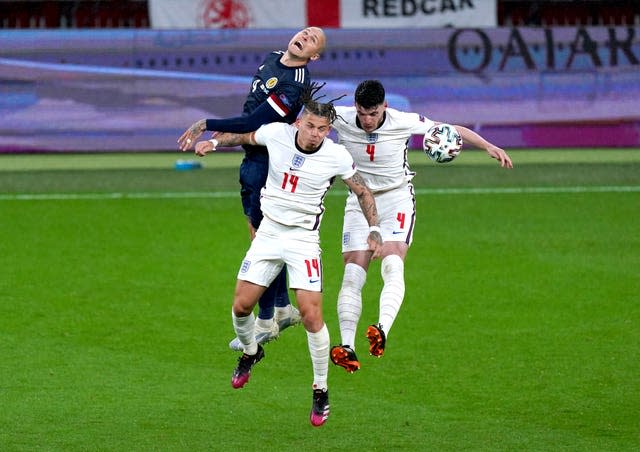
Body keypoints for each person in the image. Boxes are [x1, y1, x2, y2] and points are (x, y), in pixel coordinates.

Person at [188, 89, 383, 426]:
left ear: (329, 130)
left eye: (322, 129)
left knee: (310, 315)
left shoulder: (336, 156)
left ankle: (320, 389)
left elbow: (362, 189)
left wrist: (375, 228)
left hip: (302, 240)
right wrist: (215, 143)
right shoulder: (277, 134)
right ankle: (251, 352)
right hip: (268, 235)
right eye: (310, 126)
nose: (315, 134)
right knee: (241, 306)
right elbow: (246, 135)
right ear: (298, 122)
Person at [329, 80, 513, 373]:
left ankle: (382, 329)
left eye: (373, 113)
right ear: (355, 107)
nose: (367, 120)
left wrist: (488, 145)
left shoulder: (403, 121)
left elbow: (449, 129)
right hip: (359, 201)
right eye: (362, 113)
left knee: (392, 260)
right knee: (353, 271)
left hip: (396, 198)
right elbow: (303, 120)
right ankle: (347, 347)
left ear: (384, 107)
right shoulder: (338, 116)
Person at [177, 27, 327, 350]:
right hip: (252, 159)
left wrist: (207, 125)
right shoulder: (273, 59)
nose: (305, 36)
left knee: (264, 245)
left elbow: (251, 123)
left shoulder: (295, 84)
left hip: (267, 162)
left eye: (313, 40)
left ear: (314, 56)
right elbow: (249, 117)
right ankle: (283, 308)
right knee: (261, 238)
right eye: (305, 32)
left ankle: (266, 321)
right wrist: (217, 143)